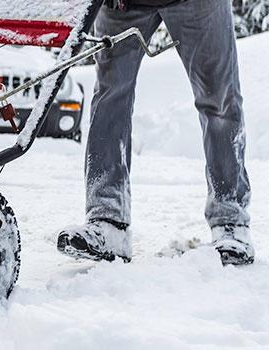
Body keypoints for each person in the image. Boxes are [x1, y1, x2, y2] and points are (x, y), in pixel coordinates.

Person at [56, 0, 254, 265]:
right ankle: (107, 220)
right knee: (109, 99)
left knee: (219, 100)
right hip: (125, 5)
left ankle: (231, 222)